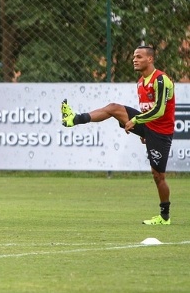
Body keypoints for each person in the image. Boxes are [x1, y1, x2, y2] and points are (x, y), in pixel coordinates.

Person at [62, 45, 175, 225]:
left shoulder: (161, 80)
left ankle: (164, 216)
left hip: (161, 132)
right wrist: (142, 128)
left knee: (158, 176)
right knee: (113, 108)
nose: (134, 60)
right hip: (147, 125)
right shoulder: (140, 82)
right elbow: (147, 110)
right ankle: (75, 118)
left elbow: (159, 110)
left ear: (150, 59)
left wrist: (137, 121)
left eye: (139, 56)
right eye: (133, 57)